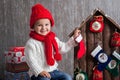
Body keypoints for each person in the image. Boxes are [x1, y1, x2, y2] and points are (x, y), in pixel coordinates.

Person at [24, 3, 81, 80]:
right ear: (33, 26)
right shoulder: (31, 43)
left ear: (50, 25)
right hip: (38, 73)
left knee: (67, 77)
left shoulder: (53, 39)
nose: (44, 28)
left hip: (53, 70)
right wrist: (39, 71)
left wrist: (73, 39)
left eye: (46, 24)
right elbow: (30, 59)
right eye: (39, 25)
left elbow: (63, 48)